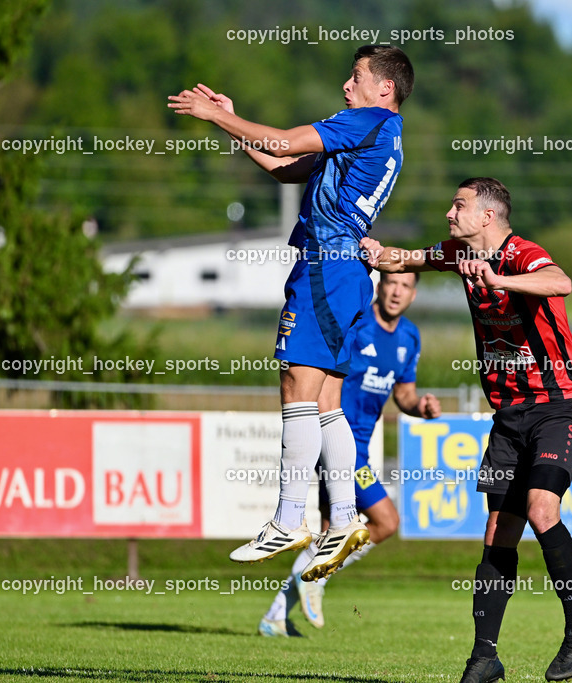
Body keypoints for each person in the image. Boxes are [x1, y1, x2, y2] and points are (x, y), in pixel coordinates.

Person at [167, 45, 414, 581]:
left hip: (327, 268)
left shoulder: (365, 121)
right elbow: (284, 166)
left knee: (295, 386)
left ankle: (288, 517)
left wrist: (217, 114)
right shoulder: (373, 137)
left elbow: (282, 141)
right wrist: (231, 123)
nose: (347, 86)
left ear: (384, 90)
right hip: (345, 274)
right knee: (326, 400)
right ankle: (345, 518)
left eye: (357, 77)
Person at [361, 178, 572, 682]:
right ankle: (484, 657)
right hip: (510, 412)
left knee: (540, 508)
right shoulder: (455, 254)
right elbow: (405, 259)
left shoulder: (521, 253)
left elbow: (561, 283)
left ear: (487, 217)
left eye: (459, 205)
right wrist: (377, 251)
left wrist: (500, 280)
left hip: (560, 403)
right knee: (497, 531)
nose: (450, 213)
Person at [258, 271, 441, 636]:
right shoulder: (356, 324)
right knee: (386, 521)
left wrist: (419, 406)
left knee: (330, 535)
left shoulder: (409, 337)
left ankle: (276, 616)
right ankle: (315, 583)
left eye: (405, 286)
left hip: (360, 448)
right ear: (380, 285)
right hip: (338, 445)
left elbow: (403, 394)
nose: (396, 291)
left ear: (413, 294)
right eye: (391, 282)